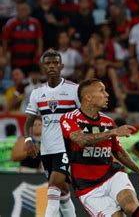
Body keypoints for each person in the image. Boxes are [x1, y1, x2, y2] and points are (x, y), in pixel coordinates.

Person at [60, 79, 139, 216]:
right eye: (102, 91)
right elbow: (81, 140)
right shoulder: (69, 118)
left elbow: (119, 153)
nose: (107, 95)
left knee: (131, 207)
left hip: (112, 175)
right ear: (88, 97)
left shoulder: (108, 121)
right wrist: (112, 132)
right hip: (87, 187)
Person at [24, 50, 79, 216]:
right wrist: (28, 139)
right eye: (48, 63)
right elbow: (29, 121)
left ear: (61, 66)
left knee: (53, 187)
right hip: (47, 149)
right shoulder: (37, 92)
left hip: (67, 147)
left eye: (55, 63)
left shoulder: (74, 90)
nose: (52, 66)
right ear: (43, 67)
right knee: (62, 192)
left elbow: (85, 116)